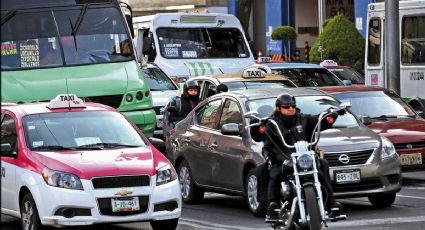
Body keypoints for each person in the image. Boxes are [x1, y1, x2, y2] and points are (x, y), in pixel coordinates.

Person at [262, 93, 341, 220]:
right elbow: (264, 141)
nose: (291, 109)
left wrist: (331, 114)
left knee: (322, 166)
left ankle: (332, 204)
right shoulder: (272, 123)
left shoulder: (304, 119)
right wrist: (258, 127)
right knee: (275, 174)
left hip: (305, 159)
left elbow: (319, 121)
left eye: (293, 106)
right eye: (286, 107)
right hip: (284, 160)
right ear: (278, 108)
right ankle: (273, 205)